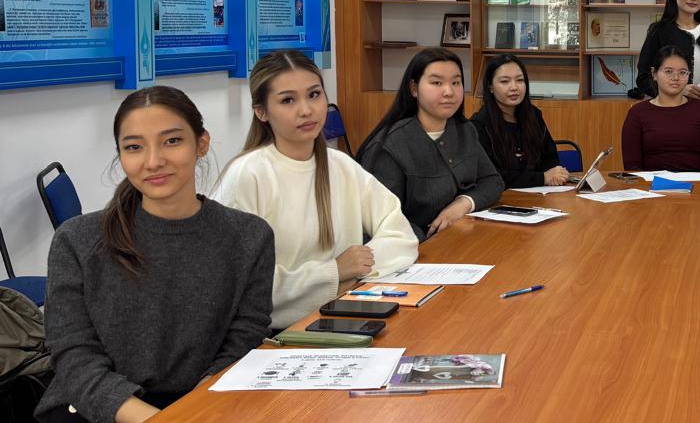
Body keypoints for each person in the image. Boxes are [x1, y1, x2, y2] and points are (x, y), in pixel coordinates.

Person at [37, 87, 273, 423]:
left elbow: (243, 339)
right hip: (96, 417)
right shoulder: (77, 241)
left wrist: (193, 417)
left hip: (203, 409)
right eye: (134, 147)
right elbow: (74, 359)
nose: (153, 161)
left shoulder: (249, 237)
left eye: (172, 141)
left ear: (202, 143)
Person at [214, 50, 418, 330]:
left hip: (340, 315)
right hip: (271, 334)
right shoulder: (248, 175)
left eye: (314, 95)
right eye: (288, 100)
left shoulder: (341, 165)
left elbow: (401, 235)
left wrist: (353, 275)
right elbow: (238, 284)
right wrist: (333, 274)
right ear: (261, 111)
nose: (307, 110)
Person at [357, 47, 503, 238]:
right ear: (414, 88)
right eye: (436, 82)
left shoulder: (465, 130)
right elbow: (383, 220)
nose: (449, 91)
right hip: (416, 248)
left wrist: (463, 203)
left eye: (456, 82)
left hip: (463, 237)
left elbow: (492, 181)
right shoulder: (390, 146)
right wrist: (429, 244)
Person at [471, 54, 570, 190]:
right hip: (501, 198)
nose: (514, 87)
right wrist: (542, 178)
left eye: (520, 80)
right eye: (505, 81)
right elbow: (492, 176)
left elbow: (550, 159)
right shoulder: (479, 126)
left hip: (541, 195)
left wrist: (556, 174)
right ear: (490, 87)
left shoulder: (534, 115)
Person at [622, 46, 700, 173]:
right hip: (652, 183)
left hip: (697, 182)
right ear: (654, 73)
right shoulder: (637, 113)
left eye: (683, 72)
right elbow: (632, 166)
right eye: (668, 71)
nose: (676, 77)